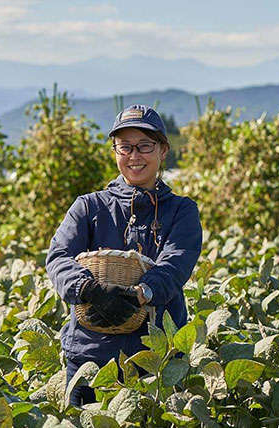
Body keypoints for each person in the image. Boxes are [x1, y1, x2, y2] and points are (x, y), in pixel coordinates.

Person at [45, 104, 203, 406]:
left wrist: (142, 292)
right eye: (125, 146)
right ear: (115, 150)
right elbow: (59, 257)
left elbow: (176, 262)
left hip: (156, 361)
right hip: (89, 358)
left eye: (145, 146)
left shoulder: (182, 210)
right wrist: (88, 288)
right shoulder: (88, 207)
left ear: (163, 150)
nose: (134, 156)